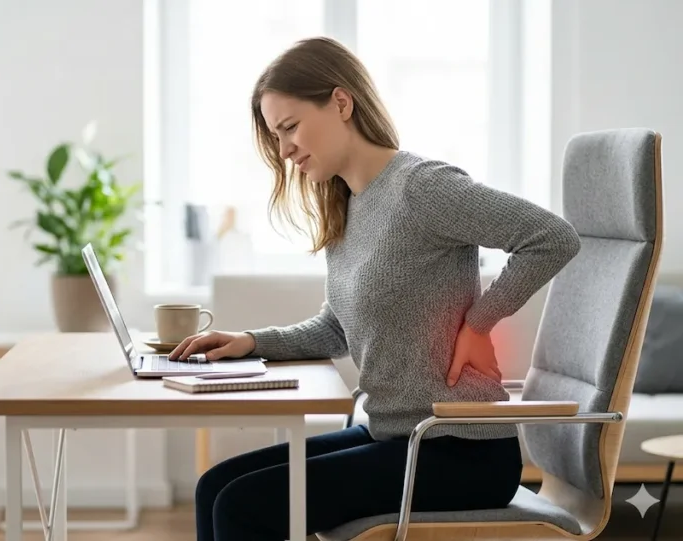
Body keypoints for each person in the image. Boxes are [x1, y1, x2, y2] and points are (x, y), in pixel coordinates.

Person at [167, 36, 581, 541]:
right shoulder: (348, 205)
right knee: (215, 487)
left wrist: (479, 322)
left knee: (242, 507)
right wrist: (252, 342)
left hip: (459, 449)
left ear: (342, 102)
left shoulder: (421, 187)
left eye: (290, 127)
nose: (285, 150)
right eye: (277, 136)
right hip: (393, 434)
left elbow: (551, 237)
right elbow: (336, 328)